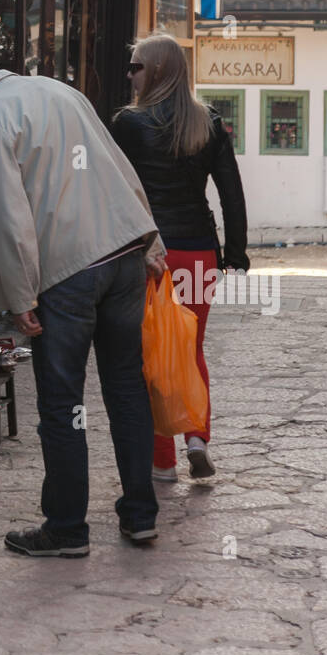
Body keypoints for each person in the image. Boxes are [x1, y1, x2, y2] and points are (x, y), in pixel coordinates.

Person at [0, 44, 167, 558]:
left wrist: (18, 295)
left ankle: (66, 528)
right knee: (127, 389)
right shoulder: (59, 91)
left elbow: (5, 217)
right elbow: (117, 167)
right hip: (122, 254)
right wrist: (150, 241)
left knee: (63, 405)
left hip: (69, 271)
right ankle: (141, 515)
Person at [111, 32, 249, 483]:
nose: (129, 74)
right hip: (197, 255)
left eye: (135, 66)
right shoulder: (207, 122)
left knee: (148, 355)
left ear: (156, 71)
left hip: (148, 255)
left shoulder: (129, 125)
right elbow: (231, 192)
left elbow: (116, 195)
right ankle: (196, 437)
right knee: (189, 348)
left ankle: (163, 461)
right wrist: (235, 252)